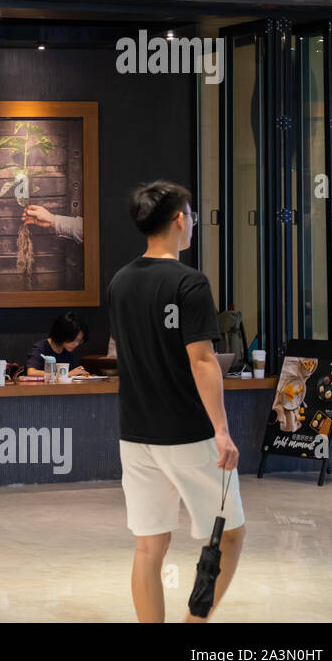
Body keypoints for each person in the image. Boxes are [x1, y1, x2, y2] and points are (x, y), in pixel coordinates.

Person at [108, 180, 245, 623]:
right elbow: (203, 361)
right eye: (191, 214)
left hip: (136, 434)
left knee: (149, 545)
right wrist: (221, 430)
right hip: (188, 433)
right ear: (179, 220)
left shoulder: (120, 282)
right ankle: (194, 622)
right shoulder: (190, 283)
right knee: (230, 535)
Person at [24, 311, 90, 378]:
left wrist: (79, 374)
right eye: (73, 339)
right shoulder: (40, 348)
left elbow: (70, 374)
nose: (76, 344)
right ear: (62, 333)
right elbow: (31, 373)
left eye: (79, 341)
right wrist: (65, 374)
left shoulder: (67, 350)